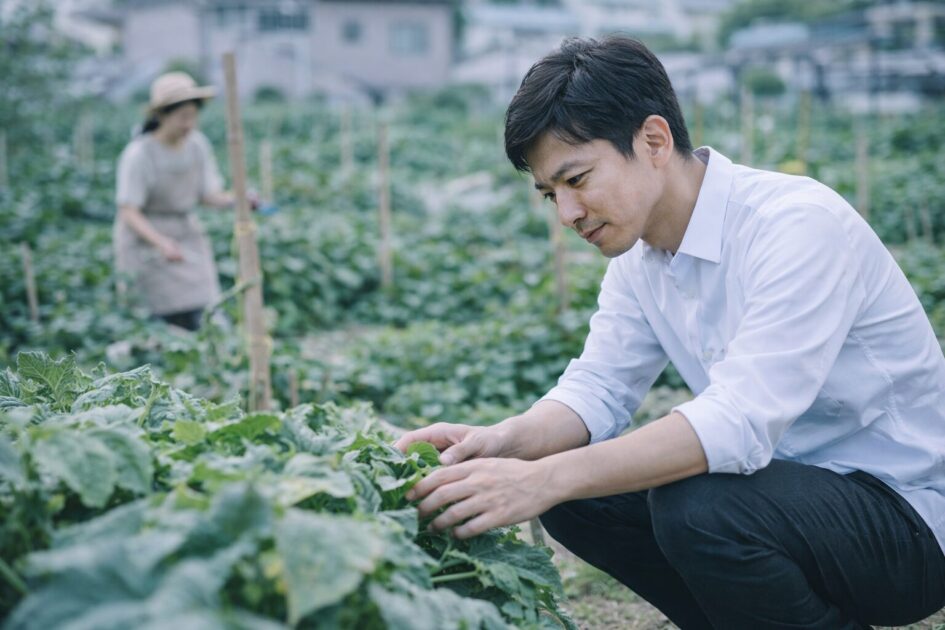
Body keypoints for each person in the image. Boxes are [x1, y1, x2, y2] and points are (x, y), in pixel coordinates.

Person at [395, 36, 945, 628]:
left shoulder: (796, 225)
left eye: (577, 179)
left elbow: (740, 420)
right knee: (578, 496)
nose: (567, 214)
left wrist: (540, 478)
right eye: (551, 194)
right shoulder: (639, 256)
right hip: (786, 499)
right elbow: (598, 389)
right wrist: (502, 443)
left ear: (653, 141)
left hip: (907, 521)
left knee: (696, 507)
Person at [114, 71, 239, 331]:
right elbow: (129, 210)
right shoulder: (140, 153)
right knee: (152, 314)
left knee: (205, 301)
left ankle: (215, 356)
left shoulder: (197, 146)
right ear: (161, 116)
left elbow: (208, 195)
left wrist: (236, 201)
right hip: (145, 239)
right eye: (183, 117)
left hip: (185, 232)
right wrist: (162, 243)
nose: (189, 124)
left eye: (193, 117)